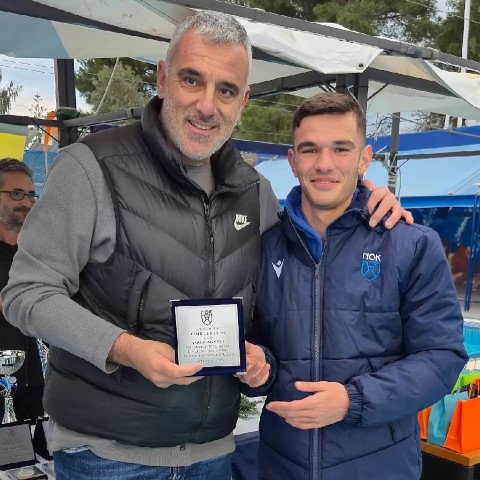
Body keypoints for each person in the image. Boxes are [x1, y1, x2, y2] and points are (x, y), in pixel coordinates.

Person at [2, 12, 409, 480]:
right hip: (107, 457)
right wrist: (127, 350)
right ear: (162, 79)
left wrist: (364, 200)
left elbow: (287, 295)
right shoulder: (90, 167)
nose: (207, 105)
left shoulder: (254, 191)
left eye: (226, 90)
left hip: (213, 454)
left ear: (243, 101)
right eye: (192, 80)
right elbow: (26, 294)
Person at [242, 92, 468, 480]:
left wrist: (352, 401)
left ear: (364, 159)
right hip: (282, 465)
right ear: (293, 161)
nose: (324, 163)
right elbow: (263, 347)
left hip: (379, 467)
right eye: (310, 150)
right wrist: (259, 368)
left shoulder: (411, 245)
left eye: (340, 148)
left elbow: (442, 357)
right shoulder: (267, 247)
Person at [0, 158, 44, 422]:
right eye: (16, 194)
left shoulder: (39, 252)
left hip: (37, 387)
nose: (27, 203)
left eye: (30, 195)